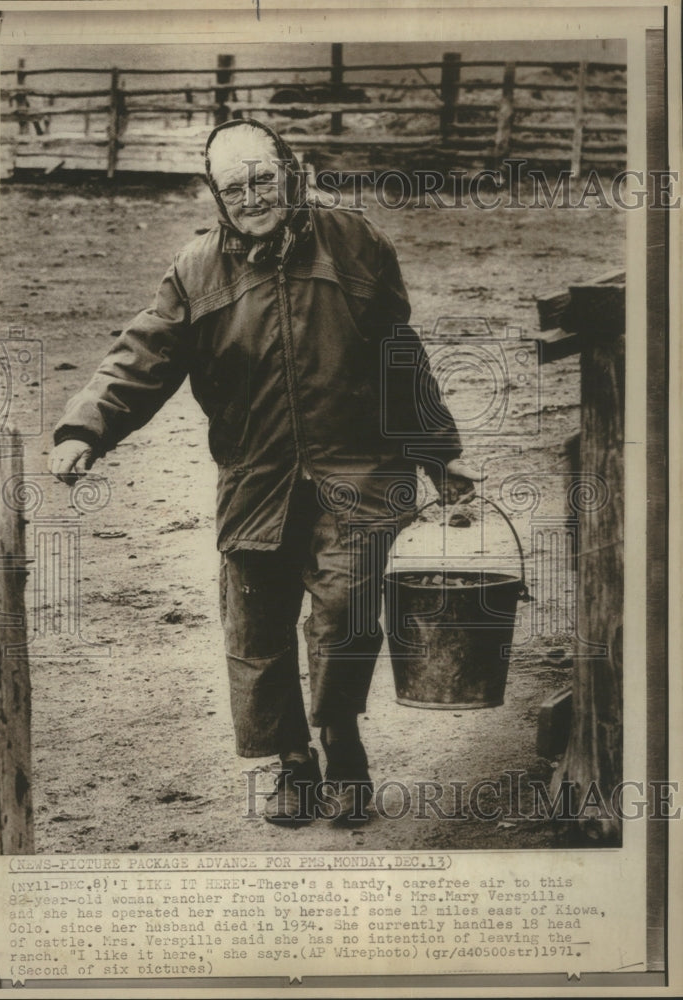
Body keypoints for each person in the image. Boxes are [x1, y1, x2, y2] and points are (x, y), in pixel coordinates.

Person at [48, 118, 483, 827]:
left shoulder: (355, 242)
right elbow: (141, 355)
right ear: (215, 196)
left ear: (290, 170)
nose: (251, 195)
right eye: (234, 186)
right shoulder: (195, 270)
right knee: (257, 625)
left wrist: (440, 453)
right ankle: (292, 763)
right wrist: (84, 427)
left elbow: (399, 355)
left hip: (359, 470)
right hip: (256, 475)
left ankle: (342, 749)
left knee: (344, 614)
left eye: (262, 177)